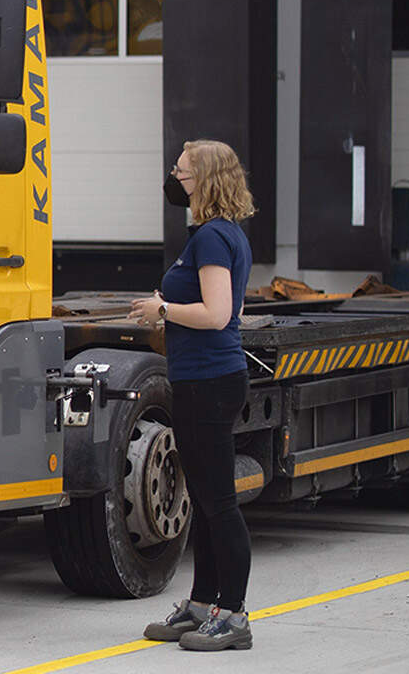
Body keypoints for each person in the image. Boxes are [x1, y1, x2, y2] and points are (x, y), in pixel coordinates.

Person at [126, 139, 257, 652]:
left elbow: (218, 314)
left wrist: (163, 310)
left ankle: (235, 614)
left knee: (218, 502)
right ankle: (204, 604)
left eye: (180, 173)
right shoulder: (220, 235)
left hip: (209, 381)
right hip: (205, 377)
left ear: (203, 181)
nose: (173, 180)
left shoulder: (210, 239)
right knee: (204, 500)